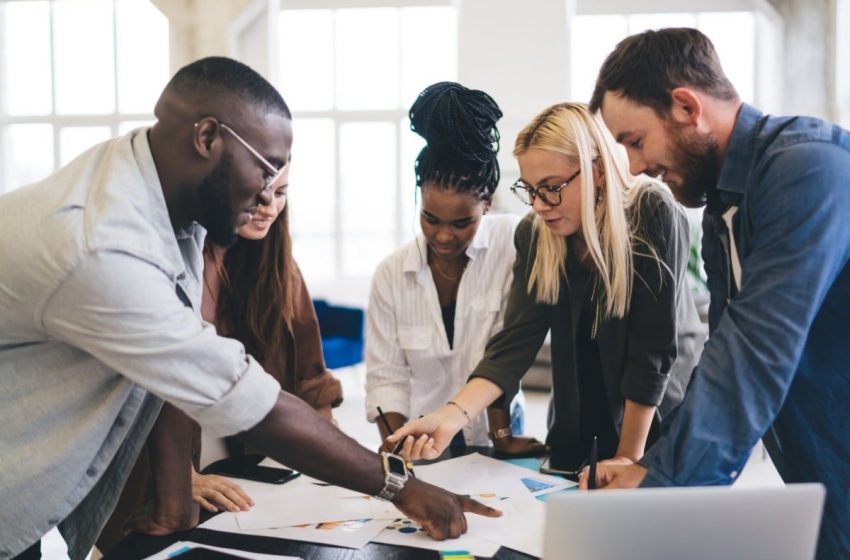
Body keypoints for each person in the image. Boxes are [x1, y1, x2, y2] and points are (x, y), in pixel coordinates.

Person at [0, 56, 498, 560]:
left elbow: (167, 380)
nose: (268, 196)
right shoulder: (102, 244)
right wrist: (403, 488)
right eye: (264, 169)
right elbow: (240, 396)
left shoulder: (162, 194)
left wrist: (174, 510)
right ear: (207, 138)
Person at [586, 27, 850, 560]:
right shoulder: (722, 209)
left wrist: (663, 490)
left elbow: (755, 354)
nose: (635, 168)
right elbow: (723, 355)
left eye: (634, 142)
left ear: (685, 106)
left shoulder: (809, 169)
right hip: (821, 466)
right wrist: (652, 464)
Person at [389, 102, 705, 474]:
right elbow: (514, 343)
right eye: (531, 189)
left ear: (597, 171)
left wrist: (628, 457)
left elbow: (651, 353)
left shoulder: (652, 212)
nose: (539, 205)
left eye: (552, 188)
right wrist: (450, 416)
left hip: (655, 425)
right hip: (577, 427)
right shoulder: (537, 234)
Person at [97, 161, 345, 551]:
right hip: (153, 477)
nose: (269, 208)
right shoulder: (164, 260)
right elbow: (124, 394)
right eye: (258, 194)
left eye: (281, 194)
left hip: (247, 467)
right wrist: (180, 476)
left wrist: (329, 465)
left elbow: (311, 381)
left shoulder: (278, 265)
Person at [365, 81, 538, 456]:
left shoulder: (514, 243)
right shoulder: (390, 275)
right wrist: (398, 450)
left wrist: (502, 437)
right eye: (430, 218)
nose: (443, 237)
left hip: (499, 430)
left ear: (487, 204)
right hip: (420, 436)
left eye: (461, 223)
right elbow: (386, 379)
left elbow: (505, 351)